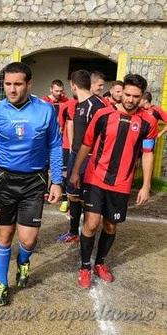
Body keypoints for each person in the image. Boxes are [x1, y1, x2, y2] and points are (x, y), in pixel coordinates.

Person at [0, 62, 63, 306]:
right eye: (8, 84)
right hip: (4, 180)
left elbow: (55, 145)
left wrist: (57, 181)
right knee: (4, 234)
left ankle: (23, 260)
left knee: (28, 240)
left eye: (18, 84)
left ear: (29, 84)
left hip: (34, 181)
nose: (12, 89)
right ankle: (2, 283)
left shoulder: (45, 111)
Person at [70, 74, 157, 289]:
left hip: (122, 183)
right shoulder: (103, 114)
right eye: (127, 94)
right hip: (95, 177)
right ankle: (84, 267)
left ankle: (99, 263)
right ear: (121, 92)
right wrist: (74, 172)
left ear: (142, 96)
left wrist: (146, 185)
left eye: (135, 96)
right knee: (91, 223)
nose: (130, 99)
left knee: (110, 225)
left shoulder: (148, 122)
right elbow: (86, 144)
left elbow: (147, 153)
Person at [56, 70, 106, 243]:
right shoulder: (78, 105)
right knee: (73, 195)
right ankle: (73, 232)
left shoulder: (97, 105)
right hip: (75, 156)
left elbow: (103, 133)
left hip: (90, 158)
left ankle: (87, 231)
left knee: (87, 198)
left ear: (73, 86)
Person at [57, 95, 78, 213]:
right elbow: (61, 125)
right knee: (65, 173)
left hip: (83, 147)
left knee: (79, 173)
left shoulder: (92, 104)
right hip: (66, 146)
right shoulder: (66, 105)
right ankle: (65, 200)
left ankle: (76, 200)